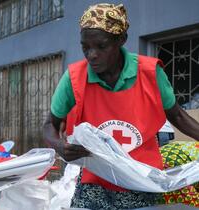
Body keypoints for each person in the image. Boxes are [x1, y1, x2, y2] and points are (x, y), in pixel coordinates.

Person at [43, 3, 199, 209]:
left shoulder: (149, 73)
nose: (92, 55)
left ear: (121, 40)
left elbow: (178, 116)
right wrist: (60, 146)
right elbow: (49, 125)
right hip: (95, 180)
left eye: (101, 46)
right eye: (85, 47)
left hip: (140, 179)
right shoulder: (74, 78)